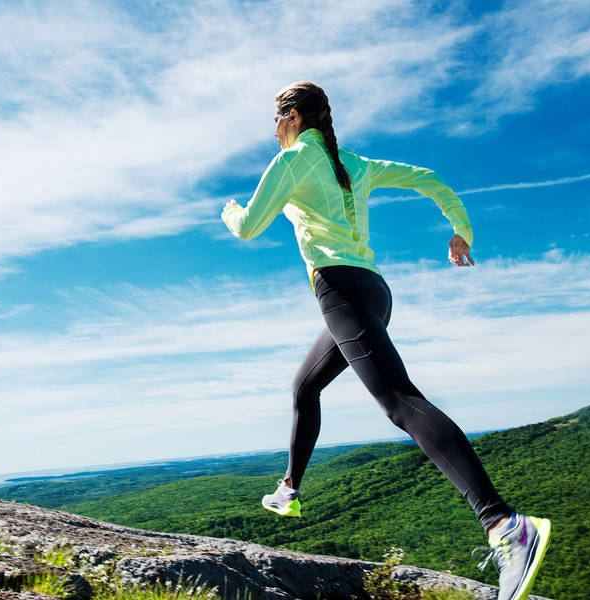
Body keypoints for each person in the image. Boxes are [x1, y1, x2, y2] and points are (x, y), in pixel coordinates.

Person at [221, 81, 550, 600]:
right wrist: (461, 229)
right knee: (305, 387)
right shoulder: (357, 163)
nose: (274, 129)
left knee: (400, 401)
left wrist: (230, 209)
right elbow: (429, 178)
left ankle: (504, 524)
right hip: (373, 292)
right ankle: (289, 489)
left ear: (292, 116)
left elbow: (247, 228)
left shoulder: (290, 161)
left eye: (276, 119)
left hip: (340, 291)